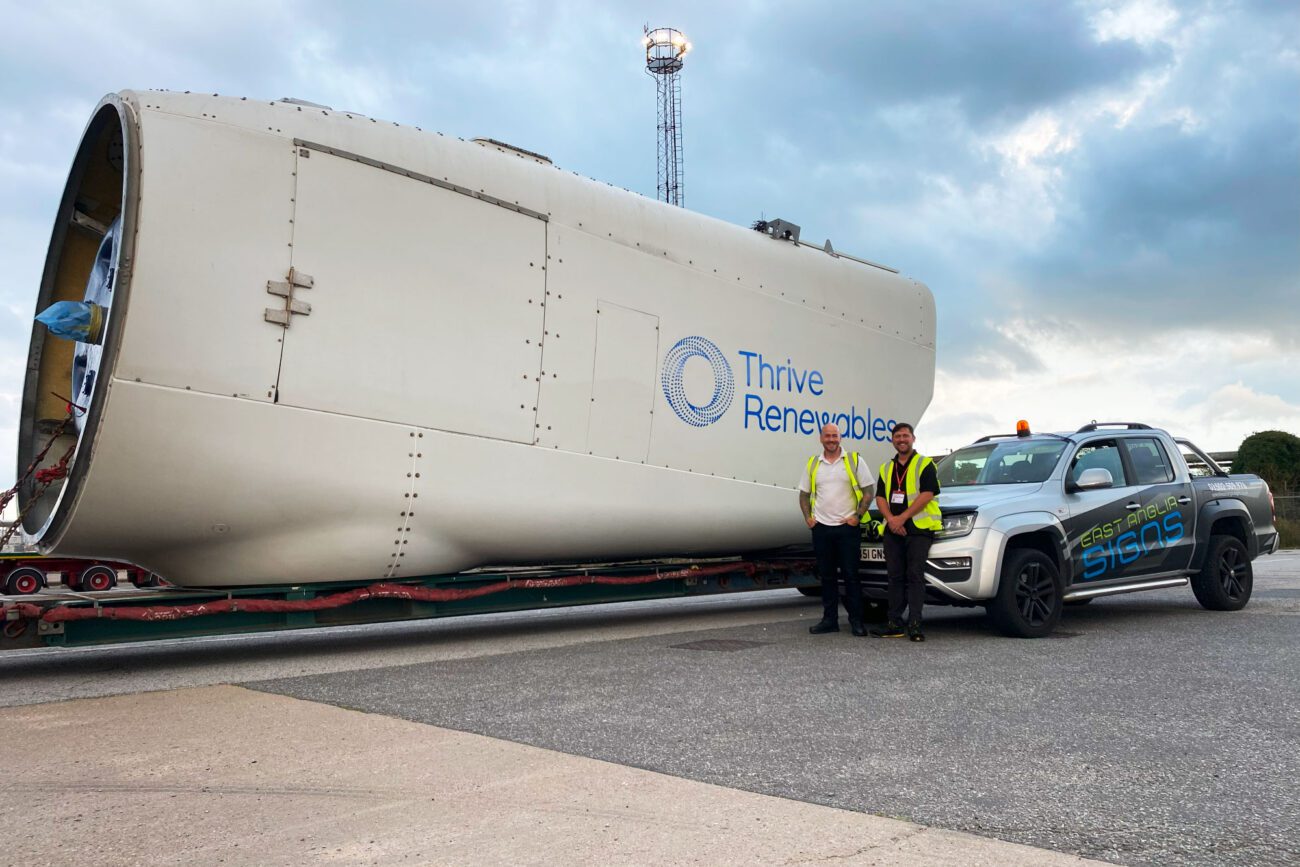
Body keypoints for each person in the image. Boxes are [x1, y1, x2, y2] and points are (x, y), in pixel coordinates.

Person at [870, 422, 941, 642]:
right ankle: (894, 623)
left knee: (915, 576)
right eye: (898, 436)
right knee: (895, 577)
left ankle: (915, 623)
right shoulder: (886, 468)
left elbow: (927, 494)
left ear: (913, 439)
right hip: (893, 529)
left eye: (905, 436)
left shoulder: (925, 464)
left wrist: (902, 517)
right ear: (893, 440)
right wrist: (891, 519)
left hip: (918, 528)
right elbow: (880, 497)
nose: (902, 440)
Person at [798, 423, 868, 636]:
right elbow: (803, 494)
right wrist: (808, 518)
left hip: (847, 528)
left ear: (840, 438)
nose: (831, 439)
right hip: (822, 529)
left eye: (835, 436)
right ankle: (830, 620)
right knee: (827, 577)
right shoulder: (813, 463)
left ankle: (856, 621)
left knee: (851, 575)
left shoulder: (854, 460)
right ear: (821, 438)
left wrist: (858, 516)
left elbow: (869, 491)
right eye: (827, 436)